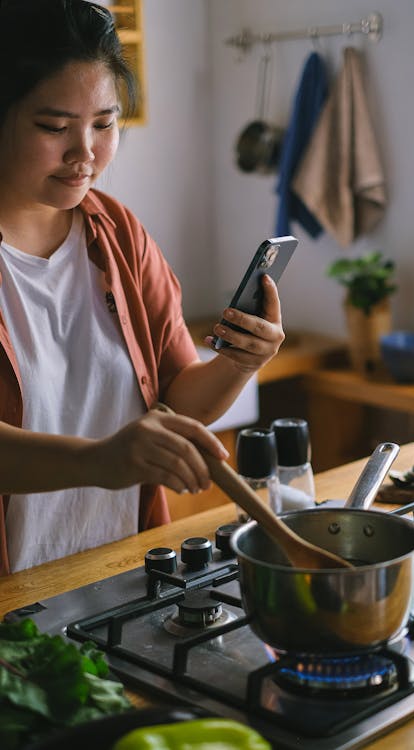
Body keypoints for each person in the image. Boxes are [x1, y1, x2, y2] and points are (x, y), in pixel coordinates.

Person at [0, 0, 285, 575]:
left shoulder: (117, 234)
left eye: (104, 125)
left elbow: (180, 398)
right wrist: (101, 461)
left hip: (120, 570)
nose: (86, 154)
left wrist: (239, 362)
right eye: (54, 127)